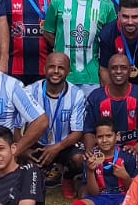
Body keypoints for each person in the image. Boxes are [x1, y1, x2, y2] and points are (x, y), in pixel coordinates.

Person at [43, 0, 117, 87]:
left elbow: (112, 38)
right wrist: (63, 45)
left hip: (92, 77)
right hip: (62, 77)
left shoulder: (105, 4)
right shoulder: (58, 1)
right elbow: (49, 32)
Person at [52, 117, 138, 205]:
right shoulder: (91, 157)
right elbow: (94, 193)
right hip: (99, 197)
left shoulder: (127, 156)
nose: (104, 140)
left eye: (108, 136)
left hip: (122, 197)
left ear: (117, 136)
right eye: (100, 137)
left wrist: (125, 176)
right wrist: (89, 171)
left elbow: (134, 190)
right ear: (95, 139)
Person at [23, 53, 90, 192]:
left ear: (68, 71)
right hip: (38, 144)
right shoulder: (29, 91)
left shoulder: (76, 94)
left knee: (78, 159)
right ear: (44, 69)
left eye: (61, 68)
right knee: (30, 180)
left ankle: (68, 176)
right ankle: (43, 171)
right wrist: (23, 149)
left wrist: (57, 147)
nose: (56, 71)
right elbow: (17, 126)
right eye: (51, 67)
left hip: (64, 144)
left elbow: (78, 131)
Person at [77, 52, 138, 153]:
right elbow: (89, 131)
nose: (118, 71)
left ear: (130, 71)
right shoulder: (95, 98)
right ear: (108, 71)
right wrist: (90, 151)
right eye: (114, 68)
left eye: (123, 68)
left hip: (135, 153)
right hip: (103, 154)